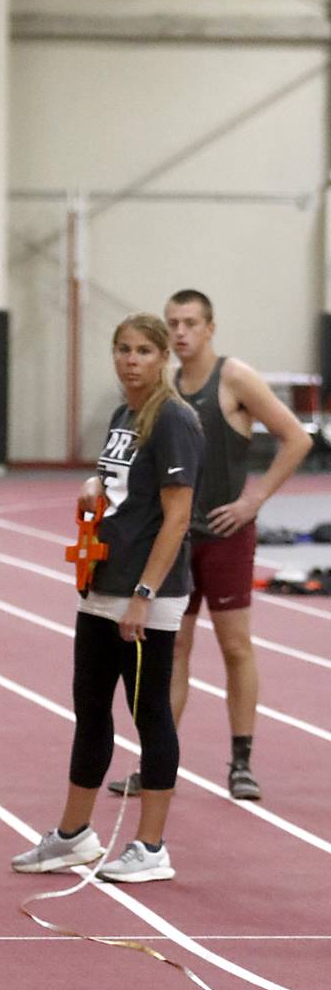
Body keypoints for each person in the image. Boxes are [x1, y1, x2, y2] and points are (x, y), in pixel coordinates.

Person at [12, 314, 203, 882]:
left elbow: (177, 518)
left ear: (163, 356)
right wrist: (96, 483)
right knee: (90, 710)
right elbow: (118, 484)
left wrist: (144, 594)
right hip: (100, 585)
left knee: (149, 717)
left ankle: (151, 847)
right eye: (122, 349)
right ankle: (73, 835)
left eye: (144, 350)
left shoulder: (173, 419)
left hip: (144, 596)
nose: (131, 359)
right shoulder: (125, 415)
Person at [108, 290, 312, 802]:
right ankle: (157, 763)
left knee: (235, 647)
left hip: (225, 534)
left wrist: (254, 500)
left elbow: (297, 438)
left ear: (210, 327)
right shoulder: (167, 386)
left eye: (190, 323)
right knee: (173, 648)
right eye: (173, 323)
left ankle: (241, 761)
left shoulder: (234, 377)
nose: (179, 332)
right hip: (176, 537)